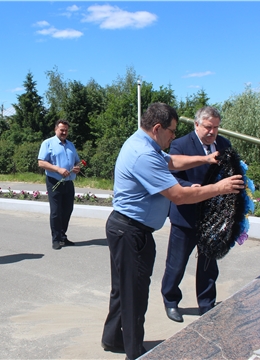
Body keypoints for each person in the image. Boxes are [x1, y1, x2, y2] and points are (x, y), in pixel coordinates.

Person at [100, 103, 244, 359]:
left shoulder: (144, 144)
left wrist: (205, 158)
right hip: (131, 232)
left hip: (126, 228)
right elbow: (178, 195)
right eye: (172, 131)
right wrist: (220, 188)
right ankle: (134, 353)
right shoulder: (144, 155)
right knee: (135, 295)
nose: (174, 136)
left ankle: (112, 338)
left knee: (122, 290)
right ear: (157, 128)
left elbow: (173, 161)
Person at [160, 106, 232, 322]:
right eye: (208, 127)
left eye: (216, 128)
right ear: (197, 124)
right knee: (177, 263)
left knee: (209, 264)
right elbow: (170, 177)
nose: (212, 132)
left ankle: (207, 304)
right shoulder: (180, 145)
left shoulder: (224, 145)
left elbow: (231, 171)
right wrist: (189, 186)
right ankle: (171, 301)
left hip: (213, 218)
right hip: (186, 214)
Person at [38, 119, 81, 250]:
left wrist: (77, 168)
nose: (64, 132)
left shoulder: (70, 145)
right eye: (62, 130)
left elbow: (77, 162)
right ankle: (56, 239)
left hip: (68, 182)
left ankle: (63, 236)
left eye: (66, 130)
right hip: (54, 181)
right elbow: (41, 163)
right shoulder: (48, 143)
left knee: (67, 210)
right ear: (55, 129)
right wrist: (58, 169)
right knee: (56, 211)